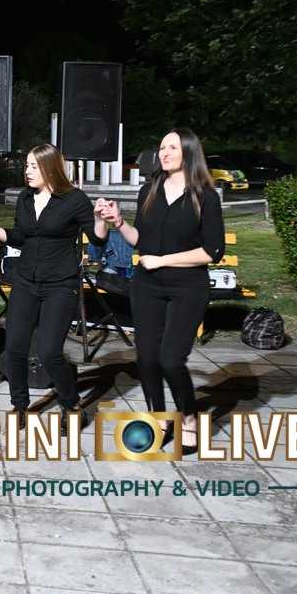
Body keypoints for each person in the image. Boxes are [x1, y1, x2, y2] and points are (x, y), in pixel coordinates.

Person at [95, 128, 224, 455]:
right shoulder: (149, 190)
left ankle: (189, 418)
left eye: (172, 147)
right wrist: (118, 223)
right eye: (162, 147)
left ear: (189, 152)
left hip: (187, 287)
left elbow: (212, 251)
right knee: (148, 358)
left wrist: (163, 260)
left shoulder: (205, 196)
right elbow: (142, 241)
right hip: (148, 285)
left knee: (171, 359)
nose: (163, 153)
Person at [0, 143, 106, 431]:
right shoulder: (25, 198)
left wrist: (101, 220)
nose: (27, 171)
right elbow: (20, 237)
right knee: (14, 350)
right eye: (27, 165)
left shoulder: (74, 199)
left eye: (33, 166)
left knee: (49, 353)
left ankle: (72, 405)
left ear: (50, 168)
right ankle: (20, 405)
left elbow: (97, 239)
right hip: (26, 282)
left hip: (60, 285)